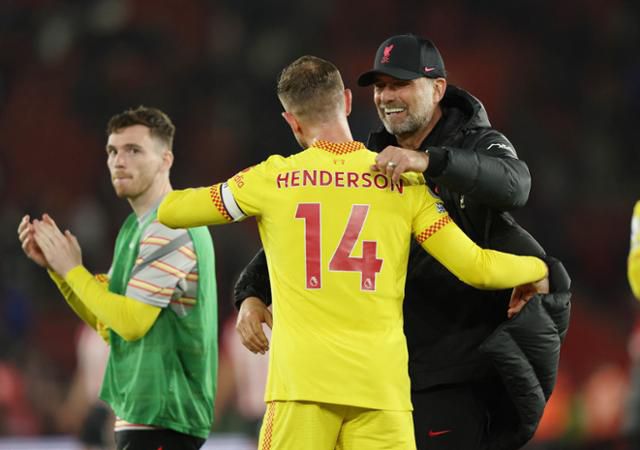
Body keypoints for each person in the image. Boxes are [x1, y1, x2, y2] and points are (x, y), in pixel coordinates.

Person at [157, 55, 549, 450]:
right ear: (346, 101)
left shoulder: (271, 179)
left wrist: (162, 173)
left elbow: (173, 211)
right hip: (381, 393)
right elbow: (478, 268)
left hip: (303, 390)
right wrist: (536, 269)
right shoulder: (403, 183)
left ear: (291, 121)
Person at [17, 106, 218, 450]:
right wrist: (60, 272)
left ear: (166, 160)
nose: (118, 161)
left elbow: (131, 323)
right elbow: (108, 322)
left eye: (133, 150)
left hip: (165, 417)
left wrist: (73, 270)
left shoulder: (172, 223)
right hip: (143, 415)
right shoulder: (134, 229)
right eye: (112, 151)